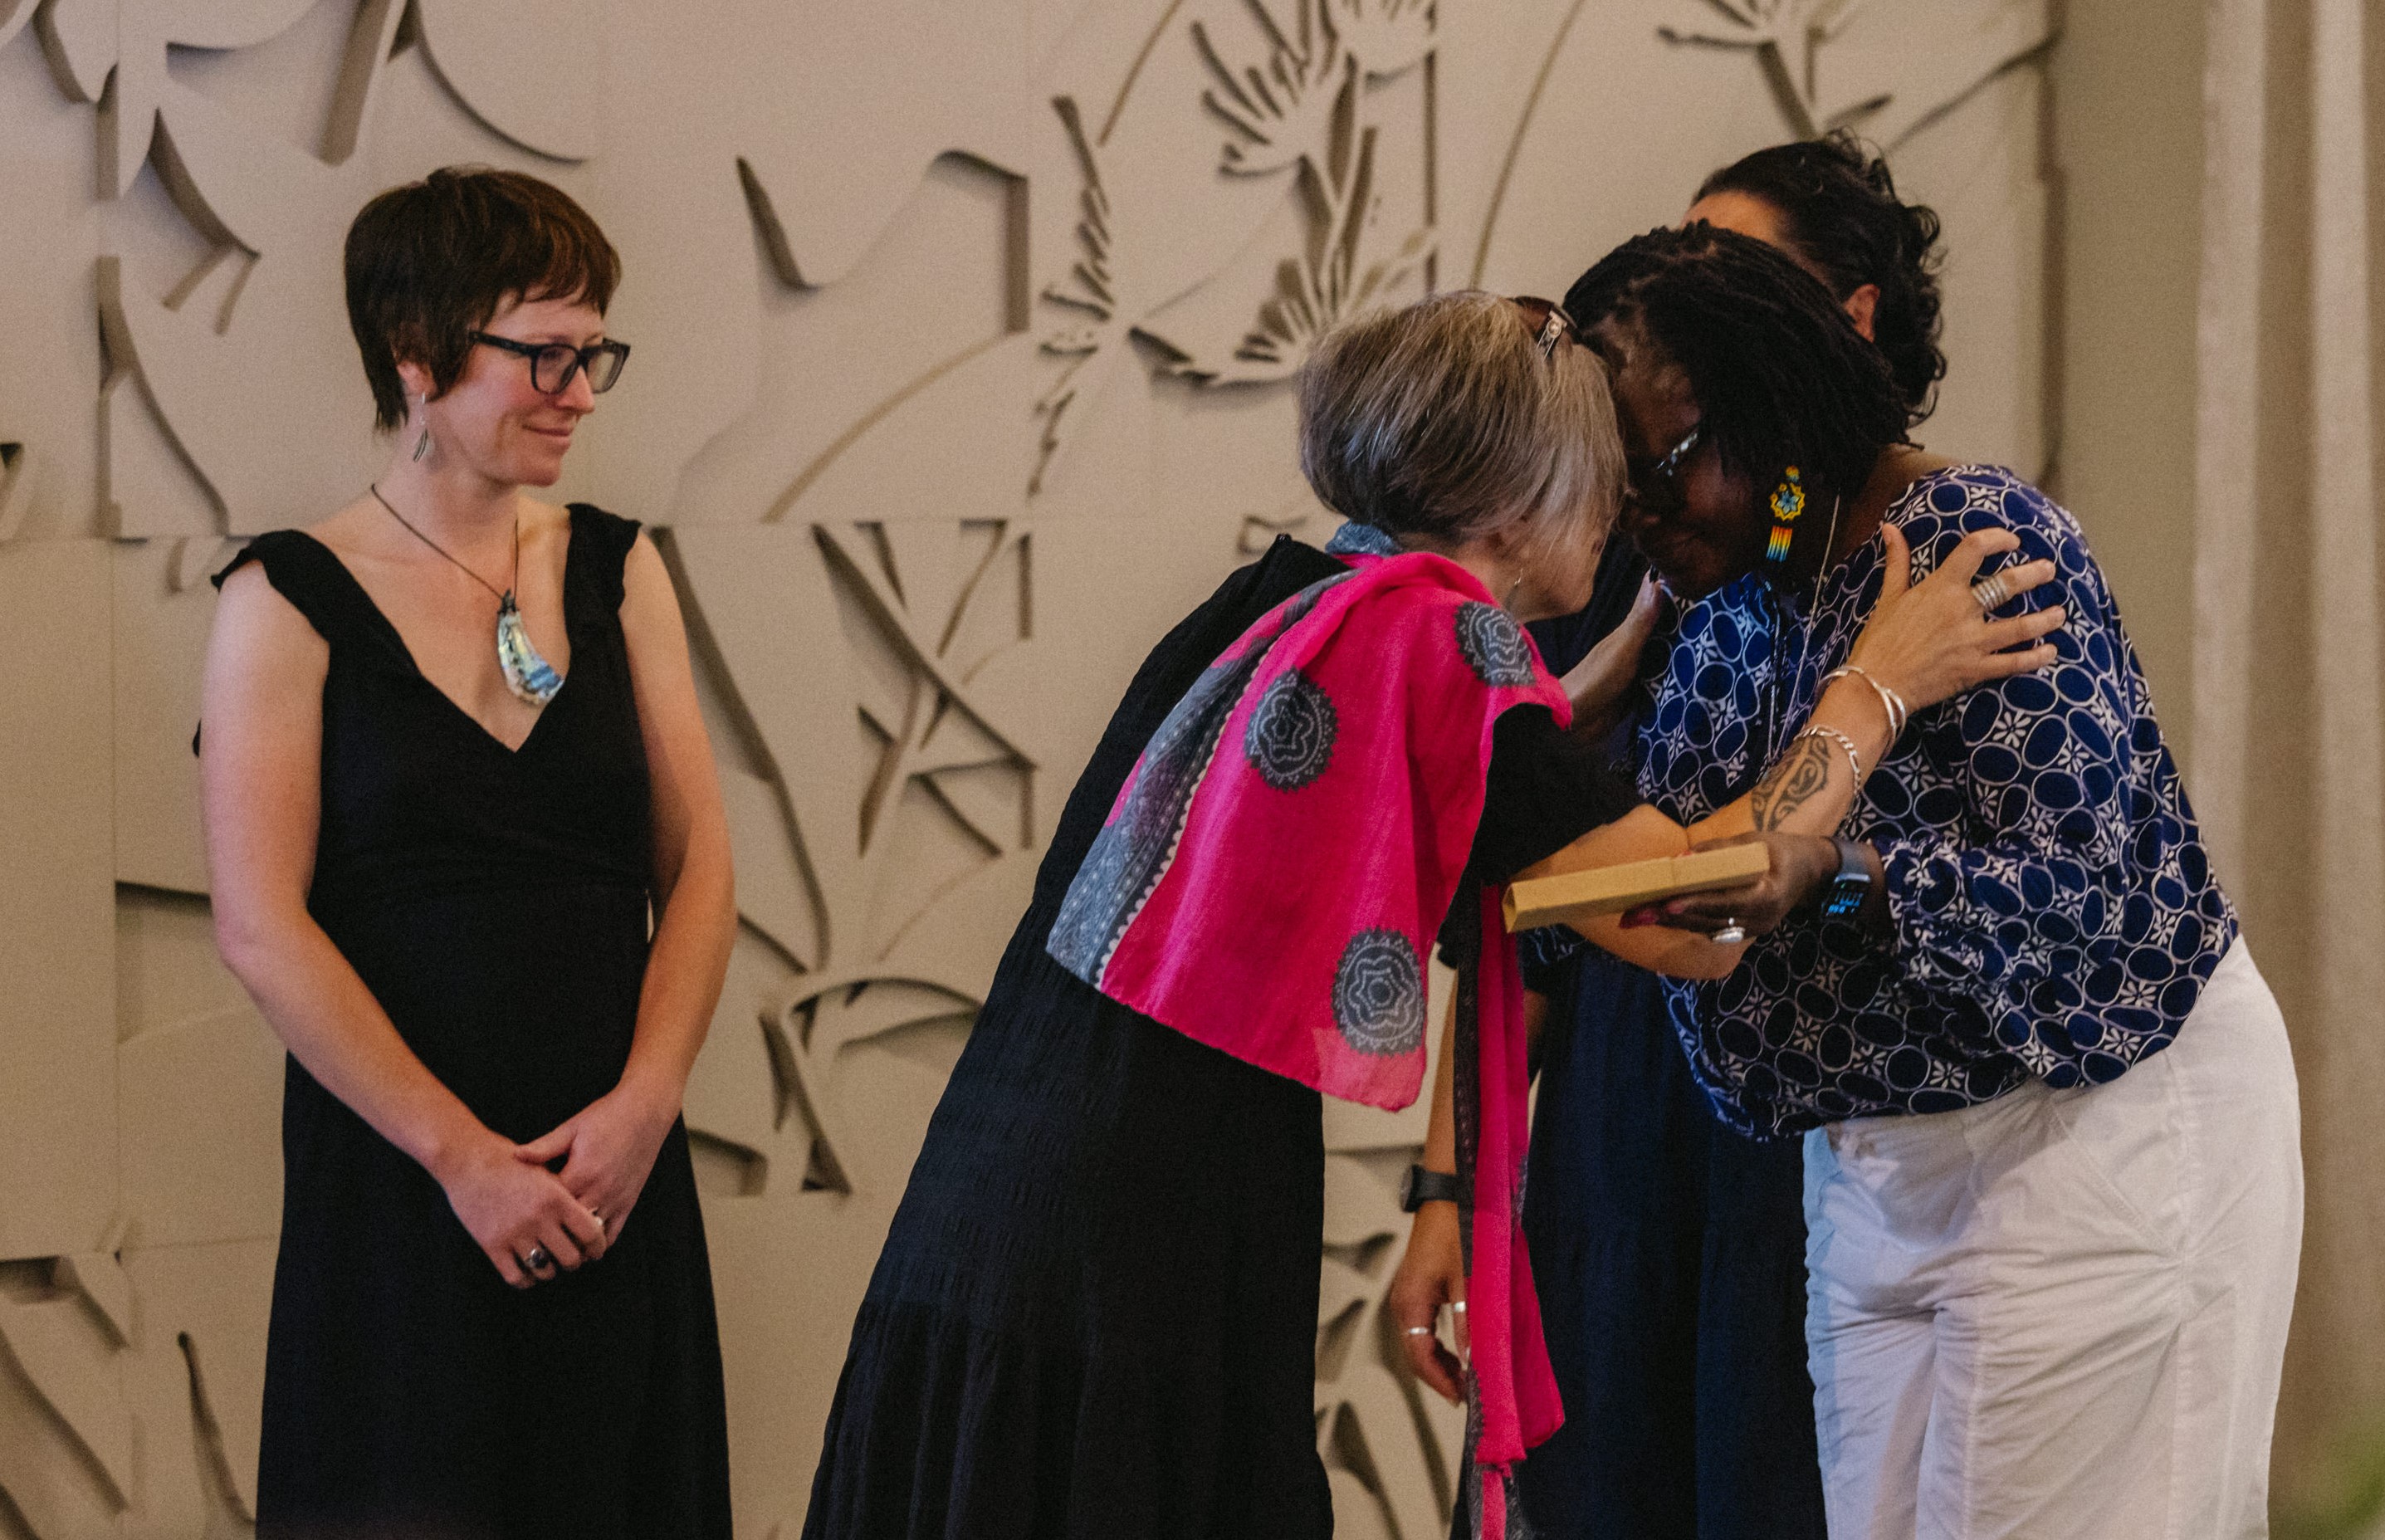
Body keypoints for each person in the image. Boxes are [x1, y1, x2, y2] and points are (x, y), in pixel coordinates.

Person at [798, 290, 2060, 1540]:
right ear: (1517, 499)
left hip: (986, 1223)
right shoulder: (1450, 664)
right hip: (1128, 1266)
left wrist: (1597, 673)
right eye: (1607, 474)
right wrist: (1875, 688)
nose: (1629, 511)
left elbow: (1471, 778)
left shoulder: (1290, 601)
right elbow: (1700, 914)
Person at [1542, 222, 2295, 1539]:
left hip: (2079, 1129)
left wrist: (1841, 876)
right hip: (1874, 1167)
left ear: (1769, 412)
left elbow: (2088, 912)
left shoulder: (1974, 544)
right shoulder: (1725, 591)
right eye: (1617, 485)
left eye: (1658, 471)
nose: (1637, 518)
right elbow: (1684, 864)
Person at [199, 167, 736, 1538]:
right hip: (404, 1187)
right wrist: (463, 1163)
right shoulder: (285, 600)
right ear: (419, 357)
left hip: (611, 1175)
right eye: (542, 353)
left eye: (592, 350)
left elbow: (700, 869)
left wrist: (648, 1103)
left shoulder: (621, 567)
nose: (580, 388)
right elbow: (263, 927)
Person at [1442, 133, 1952, 1540]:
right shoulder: (1646, 548)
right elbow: (1526, 879)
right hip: (1619, 1093)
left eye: (1735, 275)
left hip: (1804, 1120)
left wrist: (1852, 766)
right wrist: (1450, 1189)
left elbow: (1781, 902)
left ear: (1836, 320)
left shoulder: (1930, 545)